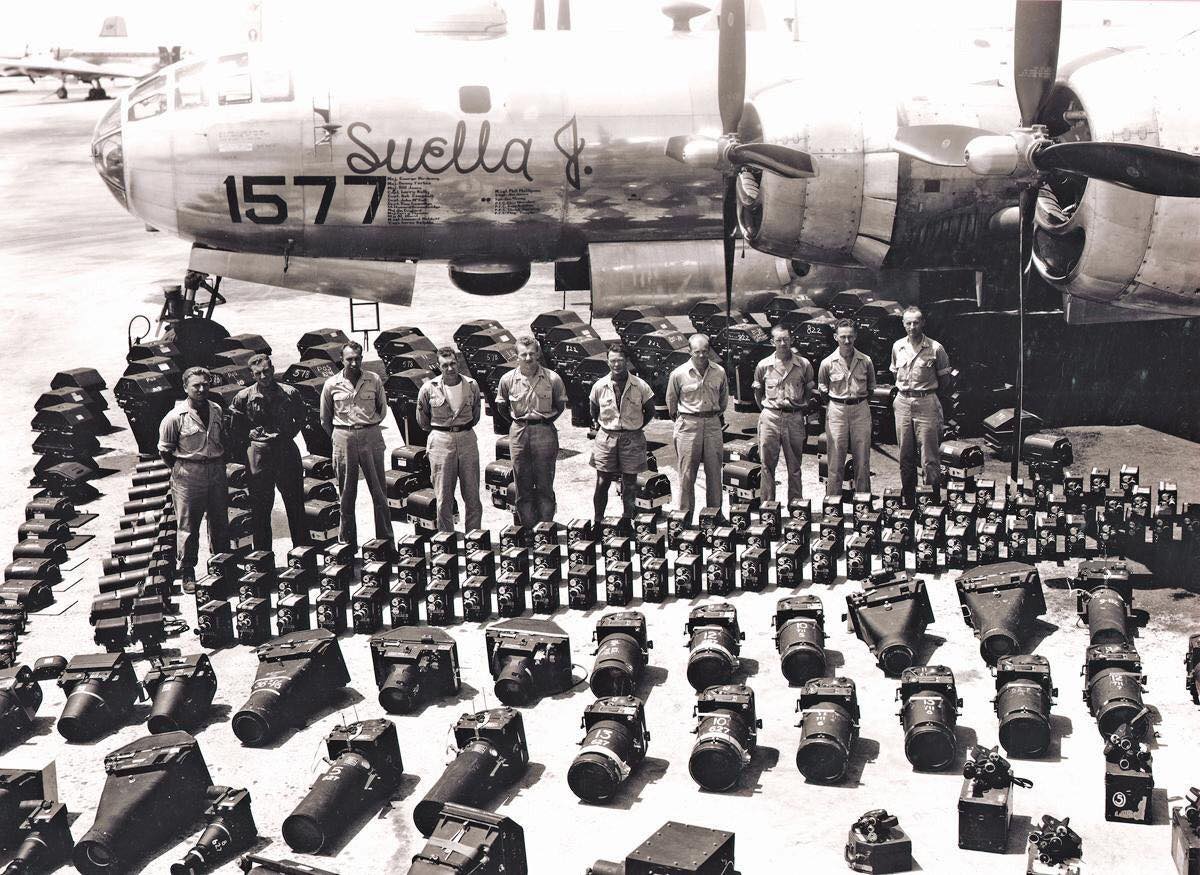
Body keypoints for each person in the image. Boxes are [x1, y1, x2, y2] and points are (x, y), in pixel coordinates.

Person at [158, 366, 228, 591]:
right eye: (196, 385)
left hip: (216, 472)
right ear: (185, 387)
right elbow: (165, 451)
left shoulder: (216, 409)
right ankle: (188, 571)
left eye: (205, 384)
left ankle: (221, 566)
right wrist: (182, 470)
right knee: (188, 526)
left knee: (219, 522)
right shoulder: (174, 417)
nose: (201, 389)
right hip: (188, 476)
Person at [230, 354, 309, 551]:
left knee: (295, 504)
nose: (263, 376)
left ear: (272, 369)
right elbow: (235, 428)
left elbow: (301, 417)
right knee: (260, 508)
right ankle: (263, 556)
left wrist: (288, 434)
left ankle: (302, 552)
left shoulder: (290, 392)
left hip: (285, 450)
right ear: (252, 375)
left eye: (266, 371)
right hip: (259, 454)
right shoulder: (243, 397)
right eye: (258, 373)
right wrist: (251, 447)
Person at [320, 341, 392, 550]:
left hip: (371, 434)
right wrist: (341, 436)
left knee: (379, 493)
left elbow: (382, 409)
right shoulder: (331, 384)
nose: (354, 362)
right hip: (344, 437)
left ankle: (387, 544)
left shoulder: (374, 379)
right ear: (341, 360)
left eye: (357, 358)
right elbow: (325, 419)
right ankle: (348, 546)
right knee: (346, 495)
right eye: (349, 358)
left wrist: (367, 426)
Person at [495, 335, 567, 525]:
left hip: (544, 433)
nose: (528, 358)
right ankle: (528, 530)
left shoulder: (552, 378)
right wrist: (518, 421)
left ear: (538, 355)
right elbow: (502, 407)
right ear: (516, 356)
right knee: (522, 485)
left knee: (545, 485)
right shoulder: (507, 380)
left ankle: (545, 530)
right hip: (519, 432)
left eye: (532, 354)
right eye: (524, 354)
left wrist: (543, 421)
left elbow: (560, 406)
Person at [416, 346, 484, 533]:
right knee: (443, 496)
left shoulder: (471, 385)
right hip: (441, 441)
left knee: (472, 495)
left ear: (458, 362)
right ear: (439, 366)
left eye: (453, 363)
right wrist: (444, 431)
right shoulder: (429, 388)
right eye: (445, 365)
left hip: (467, 439)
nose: (450, 368)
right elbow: (423, 421)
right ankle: (447, 539)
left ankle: (474, 538)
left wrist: (461, 428)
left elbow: (475, 414)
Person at [891, 306, 952, 507]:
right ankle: (908, 501)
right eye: (908, 323)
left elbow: (945, 382)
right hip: (902, 402)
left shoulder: (935, 348)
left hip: (926, 402)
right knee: (905, 456)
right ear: (903, 324)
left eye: (916, 322)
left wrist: (926, 394)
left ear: (923, 323)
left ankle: (931, 502)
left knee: (929, 457)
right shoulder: (897, 347)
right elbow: (895, 375)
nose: (912, 327)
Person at [589, 345, 656, 525]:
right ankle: (598, 521)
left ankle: (627, 520)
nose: (616, 364)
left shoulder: (640, 385)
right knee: (602, 481)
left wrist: (634, 427)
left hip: (632, 438)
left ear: (627, 361)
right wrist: (608, 426)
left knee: (630, 482)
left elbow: (649, 410)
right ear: (607, 361)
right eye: (613, 361)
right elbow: (594, 411)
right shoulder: (599, 386)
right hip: (606, 437)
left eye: (620, 360)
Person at [665, 333, 729, 521]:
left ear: (709, 351)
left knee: (714, 473)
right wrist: (686, 419)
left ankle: (715, 515)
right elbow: (671, 402)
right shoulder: (678, 374)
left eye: (704, 351)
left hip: (712, 424)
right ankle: (685, 517)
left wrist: (711, 416)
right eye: (697, 352)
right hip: (688, 424)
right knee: (686, 474)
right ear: (689, 351)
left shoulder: (719, 372)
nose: (701, 356)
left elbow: (724, 400)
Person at [753, 324, 814, 504]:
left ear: (792, 340)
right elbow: (758, 393)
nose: (782, 343)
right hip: (770, 418)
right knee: (767, 465)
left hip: (794, 417)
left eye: (786, 339)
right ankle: (768, 507)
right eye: (778, 340)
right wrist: (768, 410)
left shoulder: (803, 364)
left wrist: (800, 406)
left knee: (795, 466)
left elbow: (809, 390)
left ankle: (796, 506)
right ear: (772, 342)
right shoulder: (763, 365)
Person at [817, 319, 876, 496]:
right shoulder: (827, 363)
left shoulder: (866, 361)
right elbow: (823, 390)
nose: (847, 341)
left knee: (862, 460)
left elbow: (871, 388)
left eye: (850, 336)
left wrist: (857, 401)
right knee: (835, 460)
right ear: (836, 337)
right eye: (843, 337)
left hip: (860, 409)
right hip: (837, 410)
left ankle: (863, 504)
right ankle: (833, 505)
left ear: (856, 336)